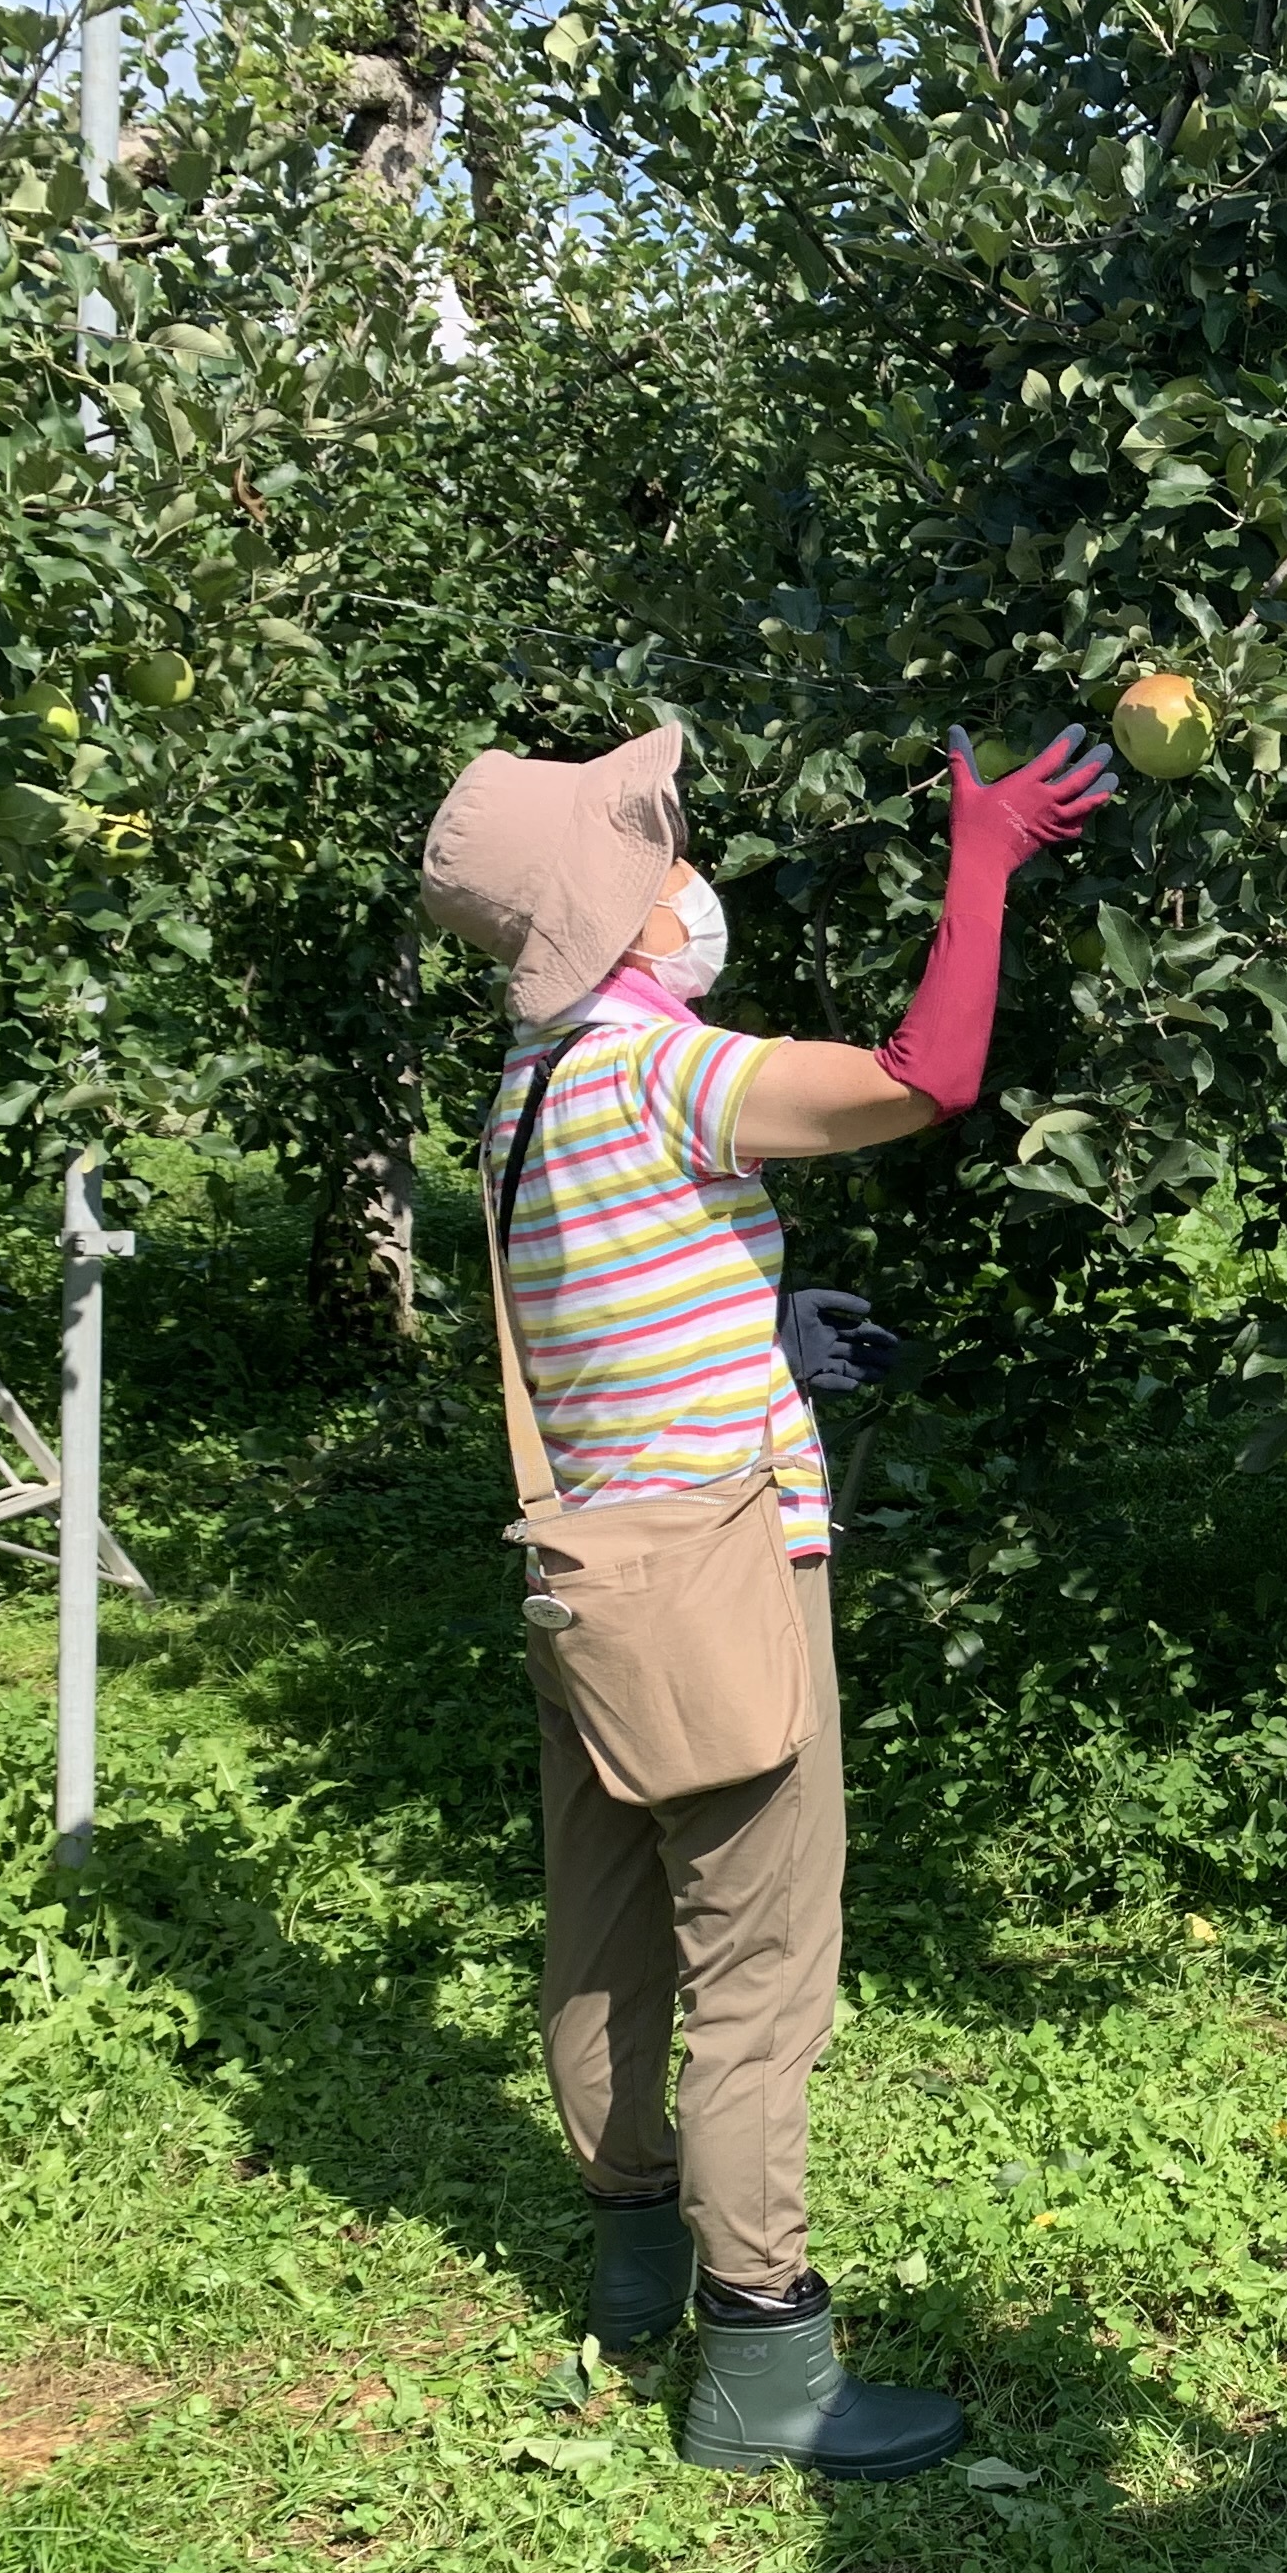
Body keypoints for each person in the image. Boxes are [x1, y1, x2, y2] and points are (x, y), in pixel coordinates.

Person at [419, 718, 1114, 2478]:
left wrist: (760, 1328)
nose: (689, 876)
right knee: (758, 1963)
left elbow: (605, 1296)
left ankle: (635, 2248)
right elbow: (919, 1076)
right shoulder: (666, 1069)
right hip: (717, 1576)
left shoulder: (526, 1096)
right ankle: (764, 2360)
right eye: (663, 859)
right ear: (630, 916)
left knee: (606, 1933)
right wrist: (982, 865)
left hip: (589, 1576)